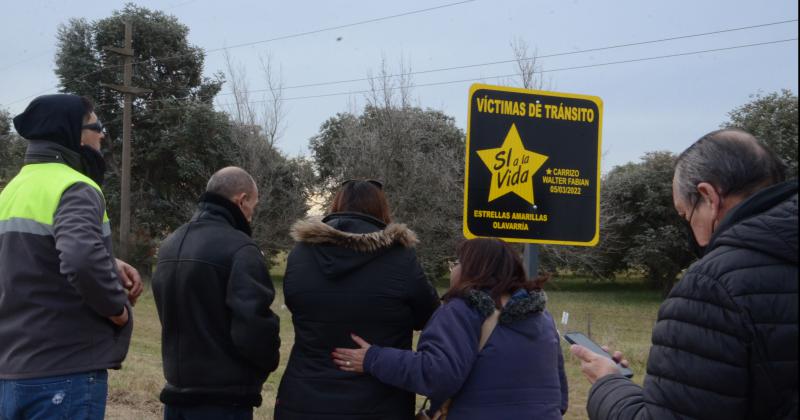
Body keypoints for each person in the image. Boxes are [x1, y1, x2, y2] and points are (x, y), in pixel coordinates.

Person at [571, 129, 798, 419]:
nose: (696, 238)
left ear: (708, 196)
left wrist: (607, 384)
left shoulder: (711, 289)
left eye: (685, 216)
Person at [0, 94, 143, 419]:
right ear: (75, 134)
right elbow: (79, 257)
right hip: (64, 372)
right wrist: (116, 309)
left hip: (12, 374)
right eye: (97, 126)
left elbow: (26, 258)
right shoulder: (76, 187)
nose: (102, 135)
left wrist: (108, 260)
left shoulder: (13, 189)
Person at [332, 237, 569, 419]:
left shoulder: (462, 310)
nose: (453, 269)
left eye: (457, 262)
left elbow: (436, 375)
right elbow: (561, 396)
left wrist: (374, 359)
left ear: (474, 268)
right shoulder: (541, 316)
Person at [273, 179, 440, 420]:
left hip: (304, 398)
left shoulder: (301, 254)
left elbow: (295, 302)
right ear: (382, 209)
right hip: (379, 402)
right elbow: (429, 314)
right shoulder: (400, 258)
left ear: (335, 206)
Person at [151, 167, 281, 420]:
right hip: (223, 401)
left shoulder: (170, 244)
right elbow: (254, 328)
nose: (252, 215)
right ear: (241, 200)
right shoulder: (241, 248)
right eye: (253, 205)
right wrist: (267, 361)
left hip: (176, 395)